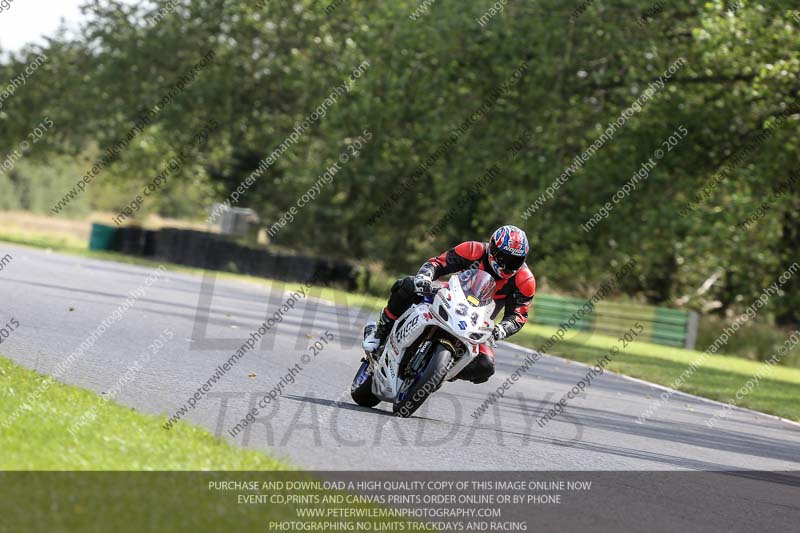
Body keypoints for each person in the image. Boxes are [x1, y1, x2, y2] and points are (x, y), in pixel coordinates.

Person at [362, 225, 536, 384]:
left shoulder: (525, 280)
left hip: (479, 322)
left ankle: (442, 372)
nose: (506, 265)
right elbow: (437, 263)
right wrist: (425, 277)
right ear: (492, 248)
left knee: (485, 366)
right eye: (503, 257)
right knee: (407, 285)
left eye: (514, 261)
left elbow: (518, 316)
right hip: (450, 296)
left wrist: (501, 329)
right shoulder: (474, 250)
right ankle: (380, 332)